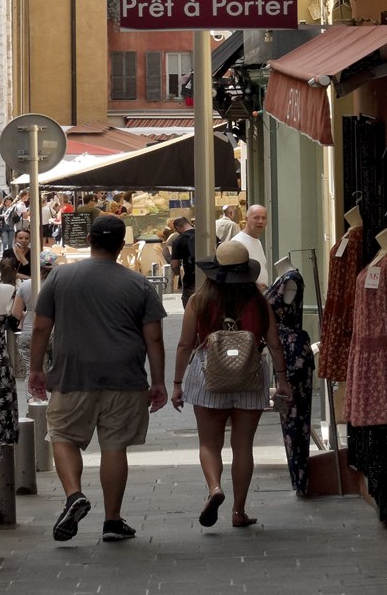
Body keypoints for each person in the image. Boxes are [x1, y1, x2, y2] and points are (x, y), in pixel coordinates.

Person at [28, 212, 167, 545]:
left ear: (88, 240)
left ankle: (74, 494)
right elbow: (155, 339)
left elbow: (40, 328)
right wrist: (159, 381)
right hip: (125, 374)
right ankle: (112, 520)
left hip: (72, 373)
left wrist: (36, 369)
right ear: (122, 246)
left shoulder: (59, 277)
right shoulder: (139, 284)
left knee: (62, 435)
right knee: (115, 446)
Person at [170, 241, 291, 528]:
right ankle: (238, 511)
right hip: (250, 375)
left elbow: (185, 344)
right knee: (243, 445)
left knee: (209, 443)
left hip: (207, 374)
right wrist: (282, 380)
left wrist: (177, 384)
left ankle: (214, 488)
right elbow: (274, 344)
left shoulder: (198, 301)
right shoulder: (259, 301)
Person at [234, 203, 270, 286]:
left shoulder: (257, 241)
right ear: (247, 219)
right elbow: (235, 276)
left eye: (263, 218)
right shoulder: (238, 243)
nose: (260, 221)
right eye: (256, 218)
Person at [168, 216, 196, 299]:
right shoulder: (204, 234)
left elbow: (175, 265)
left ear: (177, 228)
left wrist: (176, 273)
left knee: (189, 303)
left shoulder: (179, 240)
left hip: (191, 279)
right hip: (209, 278)